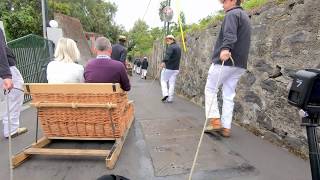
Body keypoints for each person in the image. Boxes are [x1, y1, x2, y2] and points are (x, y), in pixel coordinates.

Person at [204, 0, 251, 137]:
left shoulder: (232, 14)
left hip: (226, 60)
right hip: (240, 64)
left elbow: (230, 34)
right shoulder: (245, 16)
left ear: (232, 0)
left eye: (224, 1)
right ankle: (226, 127)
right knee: (229, 94)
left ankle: (214, 122)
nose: (222, 4)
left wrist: (225, 48)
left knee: (211, 88)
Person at [0, 28, 27, 138]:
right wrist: (6, 75)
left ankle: (10, 128)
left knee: (10, 97)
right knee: (16, 94)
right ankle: (11, 129)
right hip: (6, 69)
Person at [160, 35, 181, 103]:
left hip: (169, 68)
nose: (167, 41)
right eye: (166, 40)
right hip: (176, 68)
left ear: (172, 39)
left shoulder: (171, 47)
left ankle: (165, 94)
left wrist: (163, 62)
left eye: (167, 40)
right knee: (172, 83)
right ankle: (170, 98)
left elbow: (168, 55)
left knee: (163, 80)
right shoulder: (178, 47)